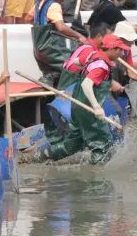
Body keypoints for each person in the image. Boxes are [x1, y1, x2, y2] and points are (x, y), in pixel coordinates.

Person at [43, 34, 127, 164]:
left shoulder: (92, 56)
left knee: (74, 143)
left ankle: (41, 156)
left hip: (78, 107)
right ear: (112, 49)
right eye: (119, 50)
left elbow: (75, 62)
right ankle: (97, 178)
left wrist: (86, 69)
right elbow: (86, 84)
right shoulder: (101, 66)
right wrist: (97, 107)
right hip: (88, 110)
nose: (121, 53)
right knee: (103, 144)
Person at [31, 0, 88, 85]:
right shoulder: (55, 6)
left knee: (52, 73)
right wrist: (79, 36)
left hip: (37, 47)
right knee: (73, 66)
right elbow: (61, 27)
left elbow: (28, 18)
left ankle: (50, 80)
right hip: (50, 47)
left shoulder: (39, 3)